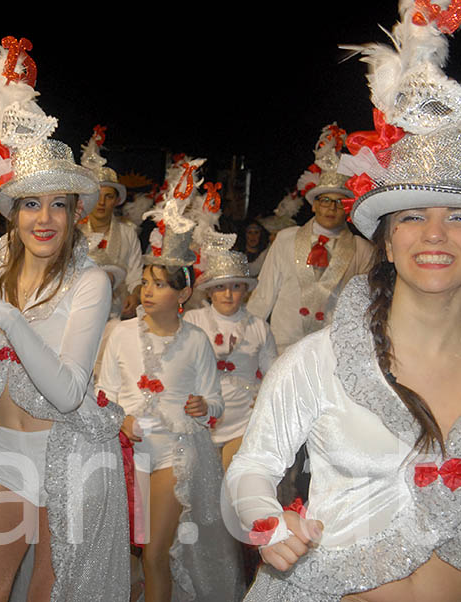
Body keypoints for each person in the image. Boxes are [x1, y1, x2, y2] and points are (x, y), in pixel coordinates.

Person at [227, 6, 461, 599]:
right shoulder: (318, 360)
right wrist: (266, 521)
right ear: (384, 238)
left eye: (457, 216)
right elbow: (251, 468)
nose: (436, 233)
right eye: (412, 216)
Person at [0, 39, 130, 600]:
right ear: (10, 211)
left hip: (71, 458)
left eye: (59, 204)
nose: (44, 218)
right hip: (3, 452)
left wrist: (10, 320)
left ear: (75, 213)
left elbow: (66, 393)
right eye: (31, 204)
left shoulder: (90, 283)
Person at [97, 168, 243, 602]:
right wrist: (120, 417)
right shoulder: (120, 333)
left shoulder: (195, 340)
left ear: (182, 294)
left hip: (174, 453)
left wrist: (206, 407)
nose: (147, 291)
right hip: (126, 451)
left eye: (159, 285)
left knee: (156, 551)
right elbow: (102, 394)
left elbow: (214, 401)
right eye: (146, 282)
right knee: (135, 551)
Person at [247, 124, 374, 354]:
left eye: (338, 202)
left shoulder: (361, 249)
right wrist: (246, 340)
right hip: (282, 344)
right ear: (314, 204)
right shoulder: (287, 238)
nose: (330, 208)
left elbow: (364, 303)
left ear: (348, 208)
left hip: (330, 348)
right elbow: (265, 292)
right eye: (325, 200)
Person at [183, 240, 276, 470]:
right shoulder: (193, 320)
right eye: (220, 287)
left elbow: (273, 373)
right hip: (202, 419)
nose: (228, 294)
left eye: (236, 287)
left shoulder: (259, 327)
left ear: (245, 291)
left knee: (232, 486)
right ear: (210, 291)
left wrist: (266, 396)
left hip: (243, 421)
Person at [79, 125, 143, 319]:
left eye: (108, 197)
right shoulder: (75, 232)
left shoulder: (127, 233)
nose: (101, 202)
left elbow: (135, 273)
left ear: (116, 201)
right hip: (79, 309)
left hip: (117, 311)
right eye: (97, 196)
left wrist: (135, 295)